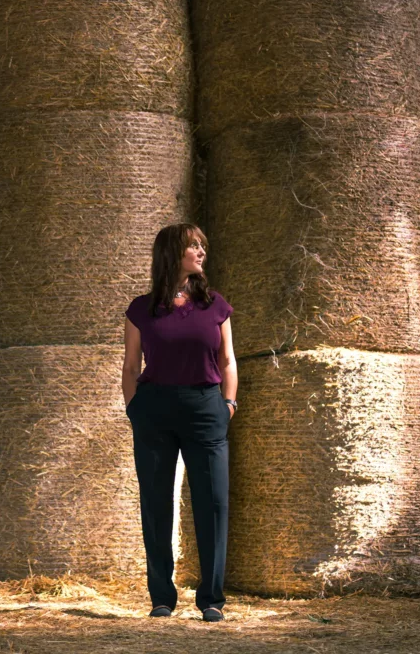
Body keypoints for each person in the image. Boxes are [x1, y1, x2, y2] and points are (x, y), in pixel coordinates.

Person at [122, 223, 237, 622]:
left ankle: (211, 599)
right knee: (156, 504)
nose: (202, 252)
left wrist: (229, 404)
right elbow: (131, 364)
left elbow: (227, 361)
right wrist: (134, 409)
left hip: (207, 408)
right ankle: (161, 598)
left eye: (203, 246)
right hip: (155, 409)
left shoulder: (215, 305)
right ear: (173, 253)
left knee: (214, 504)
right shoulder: (141, 308)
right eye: (193, 246)